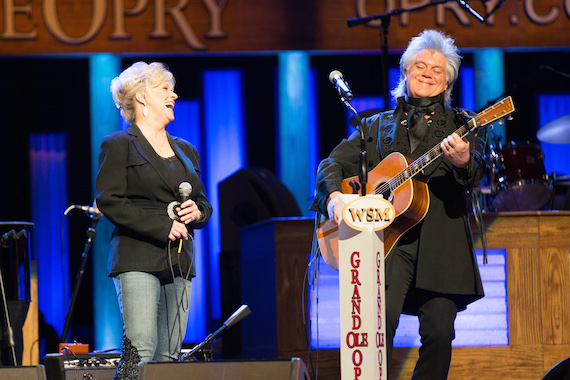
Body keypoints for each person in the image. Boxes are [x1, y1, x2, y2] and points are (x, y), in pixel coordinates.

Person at [311, 30, 486, 379]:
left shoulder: (462, 124)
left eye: (437, 70)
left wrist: (465, 160)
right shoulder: (374, 125)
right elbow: (332, 163)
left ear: (447, 80)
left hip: (442, 241)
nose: (427, 73)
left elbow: (478, 170)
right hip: (386, 244)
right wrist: (333, 197)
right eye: (420, 65)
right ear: (405, 72)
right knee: (374, 333)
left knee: (439, 334)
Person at [96, 61, 212, 380]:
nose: (173, 94)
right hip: (137, 257)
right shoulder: (119, 145)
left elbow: (203, 202)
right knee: (141, 353)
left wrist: (198, 212)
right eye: (165, 89)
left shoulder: (186, 150)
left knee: (170, 357)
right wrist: (164, 226)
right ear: (143, 97)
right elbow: (108, 200)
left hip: (179, 261)